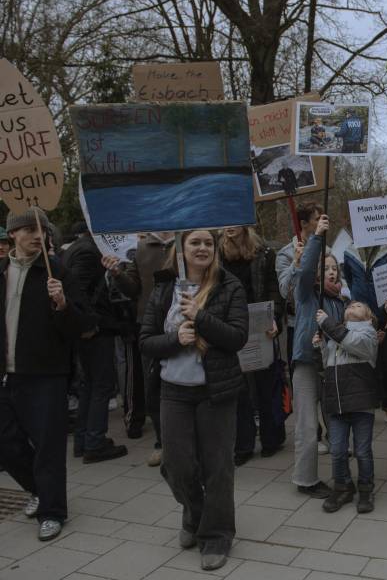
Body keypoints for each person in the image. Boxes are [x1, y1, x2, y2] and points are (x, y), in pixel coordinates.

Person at [140, 229, 248, 571]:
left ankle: (216, 535)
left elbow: (237, 338)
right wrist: (176, 339)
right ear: (180, 249)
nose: (202, 248)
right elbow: (145, 341)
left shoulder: (229, 287)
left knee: (217, 467)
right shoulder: (164, 289)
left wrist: (200, 318)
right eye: (194, 242)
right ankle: (195, 512)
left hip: (215, 391)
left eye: (208, 243)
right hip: (173, 391)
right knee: (177, 464)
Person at [0, 207, 89, 541]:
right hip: (6, 373)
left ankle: (52, 511)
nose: (37, 236)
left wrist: (63, 305)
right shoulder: (2, 272)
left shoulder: (58, 272)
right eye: (28, 230)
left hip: (46, 375)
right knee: (6, 443)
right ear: (12, 234)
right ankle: (39, 489)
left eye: (42, 231)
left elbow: (83, 326)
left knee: (49, 446)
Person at [290, 213, 346, 498]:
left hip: (333, 366)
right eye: (326, 268)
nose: (331, 272)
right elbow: (307, 265)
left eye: (335, 268)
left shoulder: (339, 301)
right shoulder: (305, 293)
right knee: (307, 425)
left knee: (336, 423)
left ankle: (341, 476)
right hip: (307, 363)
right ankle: (306, 479)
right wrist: (317, 238)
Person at [107, 231, 175, 467]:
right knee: (153, 387)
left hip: (184, 322)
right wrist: (117, 274)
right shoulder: (142, 247)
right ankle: (163, 443)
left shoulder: (188, 237)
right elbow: (132, 289)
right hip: (150, 327)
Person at [63, 222, 129, 462]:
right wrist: (88, 325)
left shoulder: (80, 247)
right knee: (100, 384)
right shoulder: (88, 251)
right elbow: (77, 290)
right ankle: (94, 442)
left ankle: (84, 441)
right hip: (94, 330)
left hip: (89, 328)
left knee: (89, 386)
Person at [219, 226, 284, 465]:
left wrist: (275, 319)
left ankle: (272, 438)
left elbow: (274, 289)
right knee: (239, 389)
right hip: (230, 327)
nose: (230, 226)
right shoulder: (217, 253)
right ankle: (243, 445)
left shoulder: (264, 253)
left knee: (267, 386)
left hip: (260, 326)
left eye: (235, 220)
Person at [314, 301, 379, 514]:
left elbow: (351, 341)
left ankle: (366, 489)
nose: (353, 305)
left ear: (369, 315)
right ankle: (342, 487)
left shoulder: (369, 335)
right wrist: (322, 346)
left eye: (359, 305)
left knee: (362, 451)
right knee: (338, 451)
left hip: (361, 405)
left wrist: (326, 323)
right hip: (337, 403)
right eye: (351, 304)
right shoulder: (336, 334)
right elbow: (327, 364)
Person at [342, 244, 387, 428]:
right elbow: (350, 277)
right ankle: (362, 405)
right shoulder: (350, 252)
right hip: (361, 318)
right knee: (362, 363)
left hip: (386, 315)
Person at [277, 202, 324, 372]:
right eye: (317, 219)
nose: (322, 222)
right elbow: (284, 290)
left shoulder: (326, 251)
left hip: (325, 323)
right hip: (297, 326)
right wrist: (296, 264)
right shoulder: (285, 254)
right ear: (304, 224)